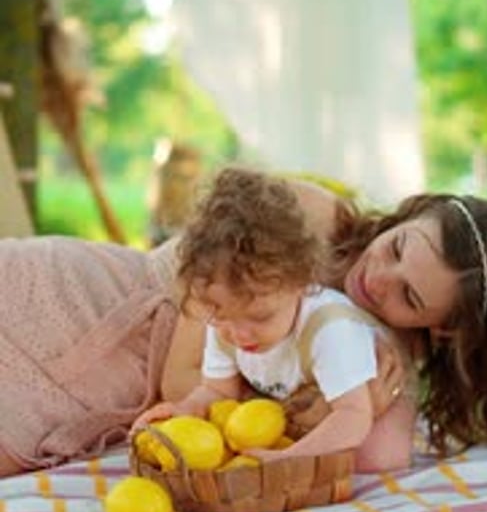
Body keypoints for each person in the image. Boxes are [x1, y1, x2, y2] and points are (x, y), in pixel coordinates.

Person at [0, 167, 487, 476]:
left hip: (115, 392)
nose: (378, 279)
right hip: (82, 299)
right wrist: (330, 407)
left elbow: (382, 459)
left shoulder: (381, 350)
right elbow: (183, 378)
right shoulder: (309, 217)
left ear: (445, 328)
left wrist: (378, 396)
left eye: (409, 297)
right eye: (397, 247)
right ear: (413, 213)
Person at [132, 166, 415, 468]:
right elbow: (217, 392)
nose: (240, 335)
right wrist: (182, 411)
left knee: (380, 456)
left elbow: (354, 415)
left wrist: (290, 458)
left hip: (373, 384)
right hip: (301, 388)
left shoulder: (333, 330)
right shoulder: (229, 318)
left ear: (303, 283)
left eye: (261, 317)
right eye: (220, 316)